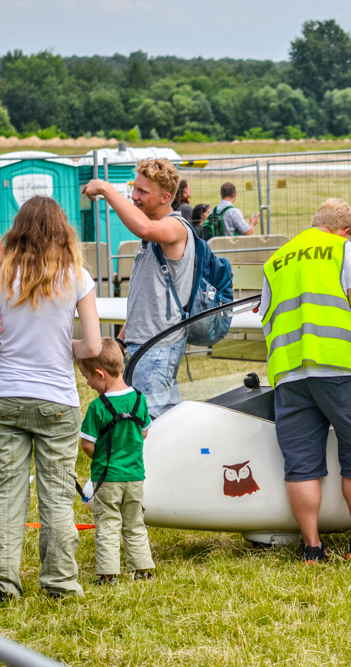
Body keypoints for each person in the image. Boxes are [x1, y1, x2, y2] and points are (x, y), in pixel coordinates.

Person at [260, 198, 351, 563]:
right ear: (347, 232)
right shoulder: (342, 250)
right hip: (342, 367)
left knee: (301, 465)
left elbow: (267, 319)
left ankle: (312, 547)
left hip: (289, 372)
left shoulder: (275, 260)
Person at [0, 196, 103, 600]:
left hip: (7, 396)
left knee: (8, 494)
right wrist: (65, 345)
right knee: (57, 495)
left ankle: (5, 584)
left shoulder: (3, 271)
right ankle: (60, 582)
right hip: (57, 401)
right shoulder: (77, 275)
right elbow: (93, 345)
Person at [84, 159, 193, 418]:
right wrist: (121, 340)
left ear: (166, 197)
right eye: (134, 188)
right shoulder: (150, 238)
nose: (134, 196)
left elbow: (143, 226)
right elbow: (147, 298)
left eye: (143, 192)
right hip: (145, 347)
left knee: (145, 430)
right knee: (165, 427)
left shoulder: (174, 228)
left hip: (157, 349)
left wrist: (106, 189)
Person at [78, 338, 155, 585]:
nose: (87, 383)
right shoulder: (139, 400)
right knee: (135, 524)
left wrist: (100, 457)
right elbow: (144, 432)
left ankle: (109, 575)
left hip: (107, 479)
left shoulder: (97, 407)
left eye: (88, 377)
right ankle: (143, 571)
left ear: (100, 374)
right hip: (134, 476)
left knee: (108, 526)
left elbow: (87, 444)